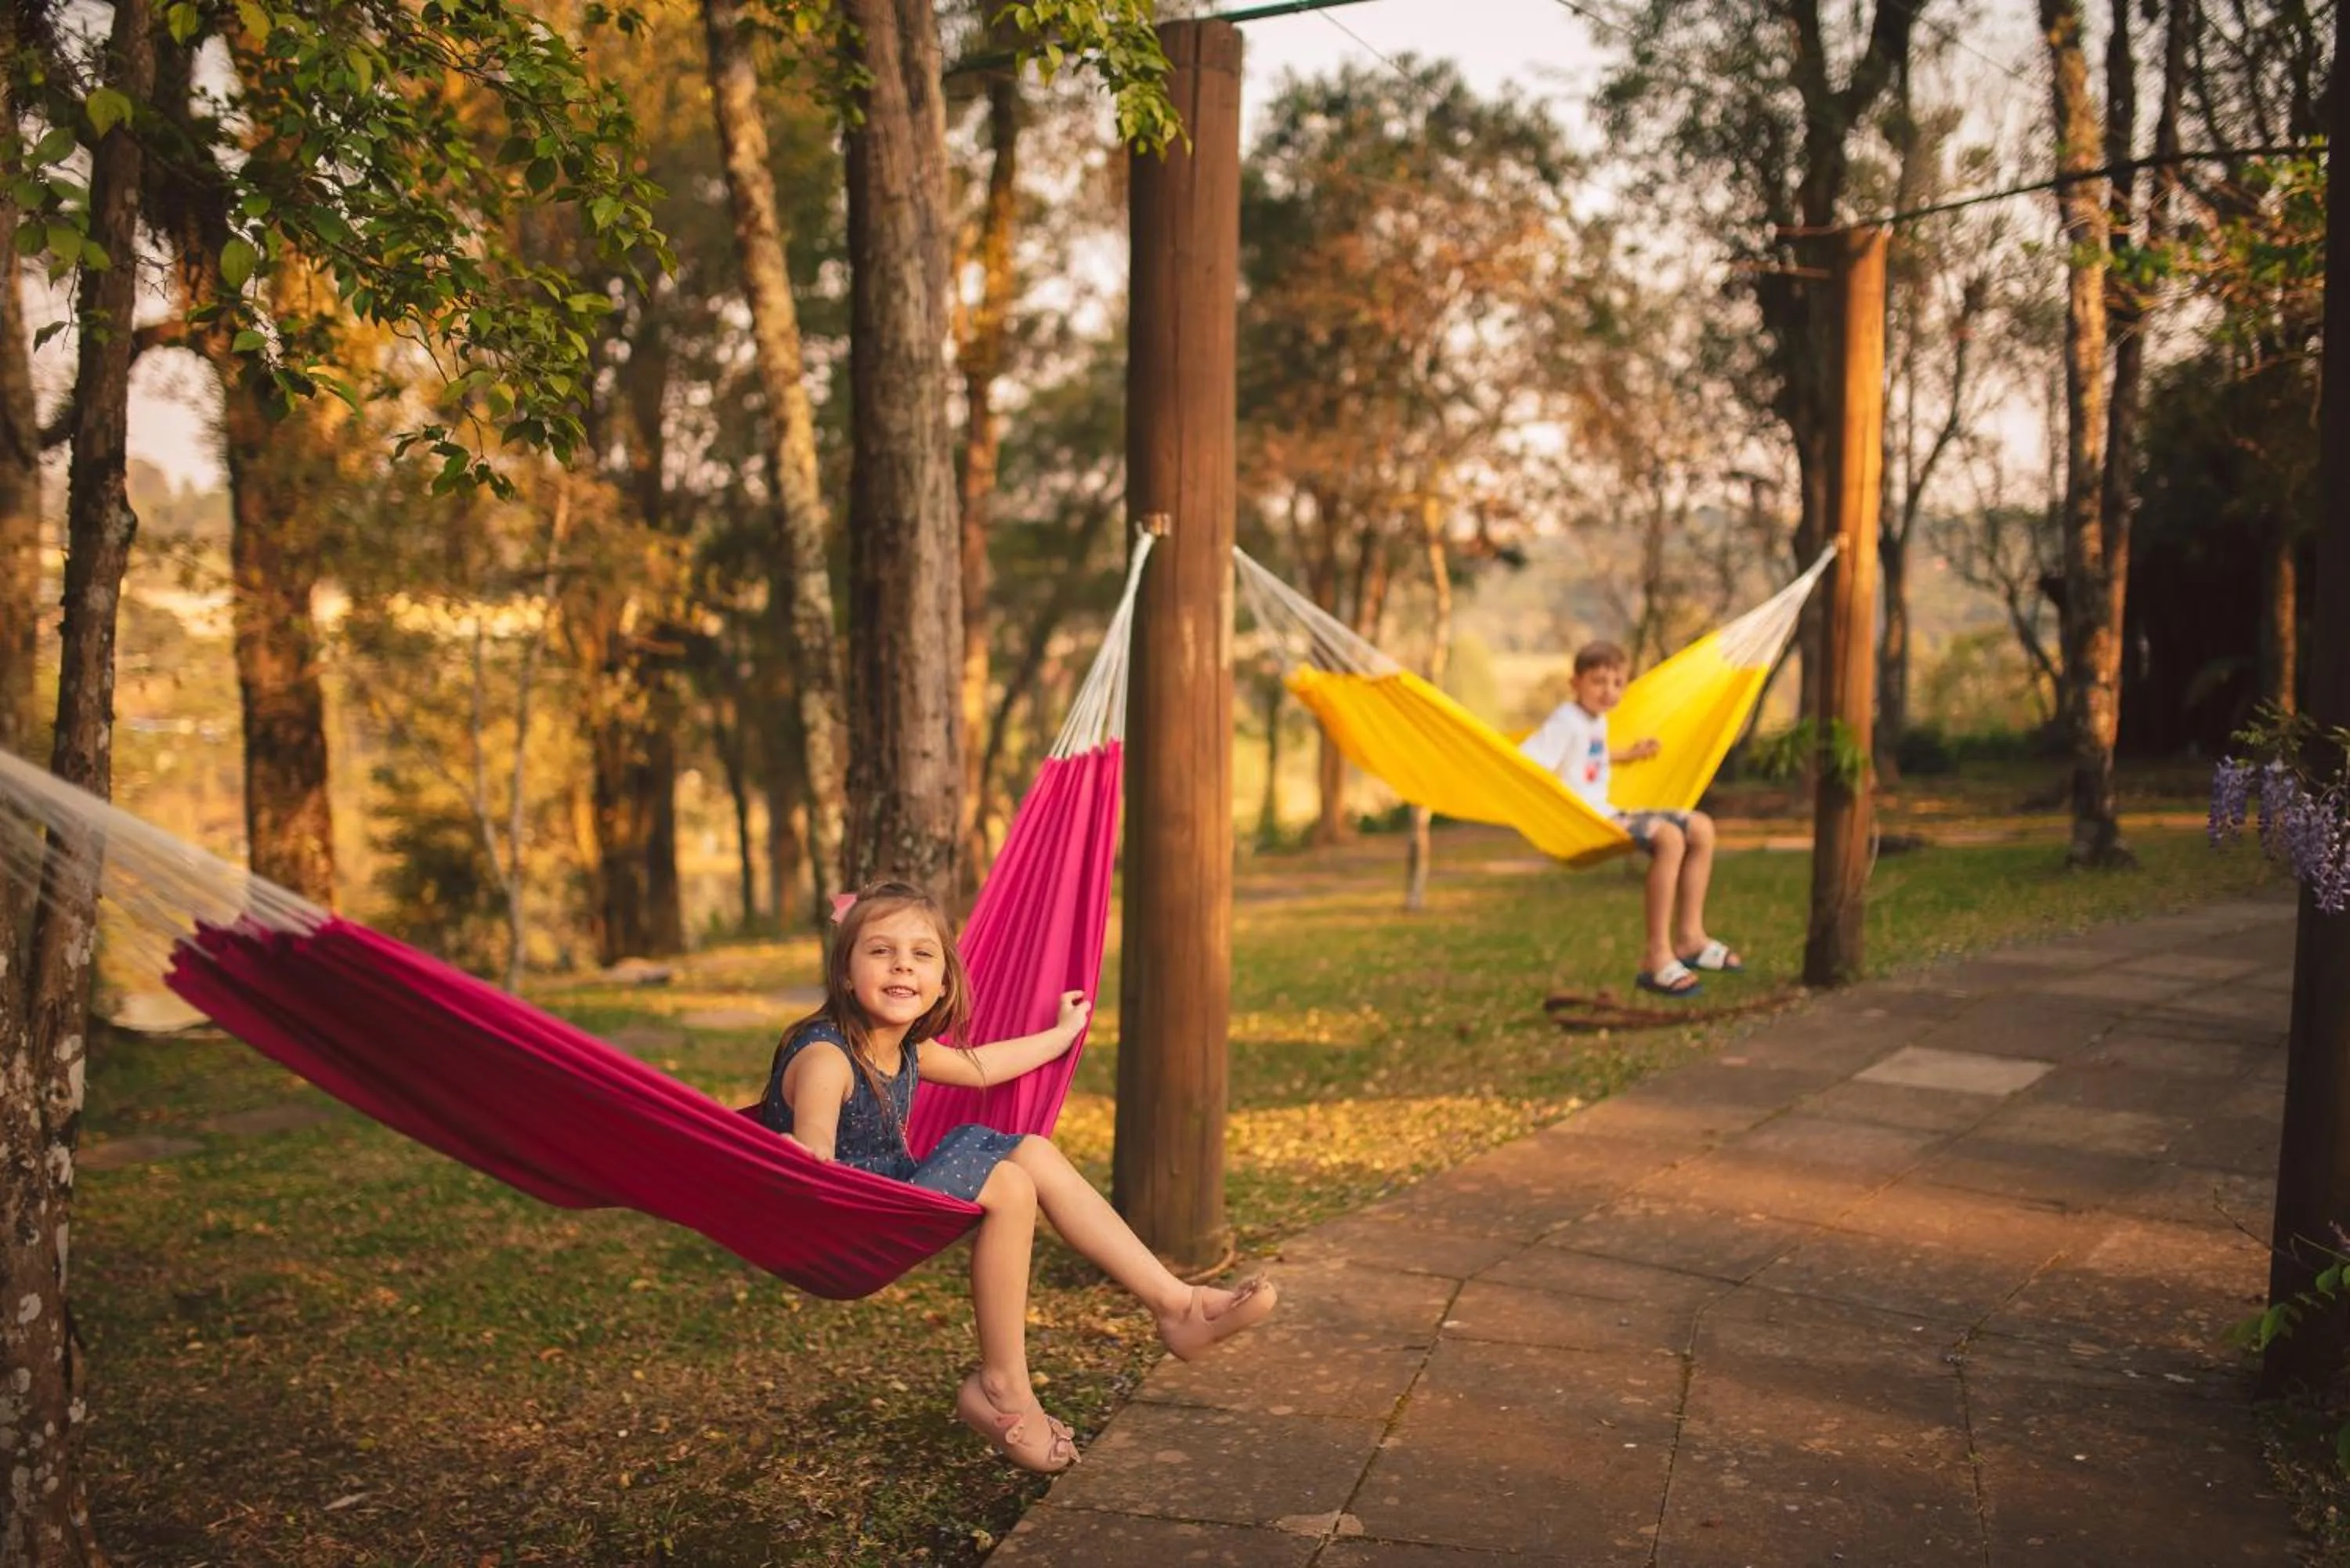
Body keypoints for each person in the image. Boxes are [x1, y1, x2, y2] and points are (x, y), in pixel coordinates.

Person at [757, 880, 1278, 1474]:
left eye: (922, 954)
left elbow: (983, 1070)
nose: (903, 964)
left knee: (1030, 1151)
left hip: (889, 1200)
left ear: (944, 983)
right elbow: (816, 1141)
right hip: (846, 1221)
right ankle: (1002, 1389)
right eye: (880, 951)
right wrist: (807, 1152)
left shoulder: (905, 1051)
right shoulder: (826, 1056)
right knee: (1007, 1183)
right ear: (846, 975)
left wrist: (1060, 1035)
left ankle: (1178, 1306)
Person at [1520, 641, 1744, 998]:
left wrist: (1628, 754)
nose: (1609, 691)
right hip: (1584, 820)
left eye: (1617, 683)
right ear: (1574, 683)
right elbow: (1527, 764)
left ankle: (1690, 938)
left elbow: (1586, 754)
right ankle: (1656, 957)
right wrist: (1555, 809)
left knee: (1701, 827)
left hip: (1608, 812)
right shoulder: (1564, 721)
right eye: (1598, 681)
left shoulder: (1594, 720)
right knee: (1669, 838)